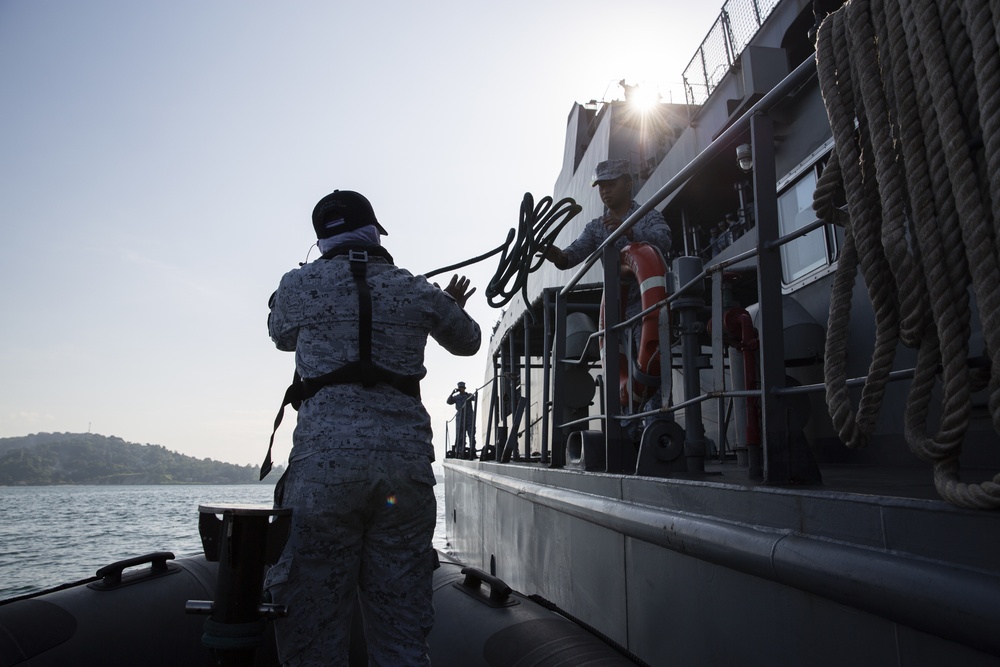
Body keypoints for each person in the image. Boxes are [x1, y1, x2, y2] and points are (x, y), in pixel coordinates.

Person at [264, 189, 481, 666]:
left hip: (323, 474)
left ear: (320, 240)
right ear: (375, 232)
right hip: (403, 474)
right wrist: (445, 306)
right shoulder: (414, 288)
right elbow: (467, 341)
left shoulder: (299, 285)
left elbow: (279, 334)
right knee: (401, 633)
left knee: (313, 634)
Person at [543, 158, 672, 320]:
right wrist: (559, 256)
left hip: (651, 304)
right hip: (616, 311)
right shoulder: (596, 227)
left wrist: (629, 231)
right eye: (602, 187)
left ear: (628, 185)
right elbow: (573, 254)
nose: (605, 191)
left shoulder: (647, 215)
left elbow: (665, 241)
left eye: (611, 185)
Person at [447, 381, 477, 458]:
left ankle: (472, 451)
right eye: (460, 388)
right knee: (460, 436)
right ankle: (460, 452)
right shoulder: (456, 397)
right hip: (460, 418)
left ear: (464, 388)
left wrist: (472, 394)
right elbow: (448, 401)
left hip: (469, 418)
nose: (461, 389)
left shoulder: (468, 396)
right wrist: (452, 393)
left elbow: (474, 398)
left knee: (471, 435)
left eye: (462, 388)